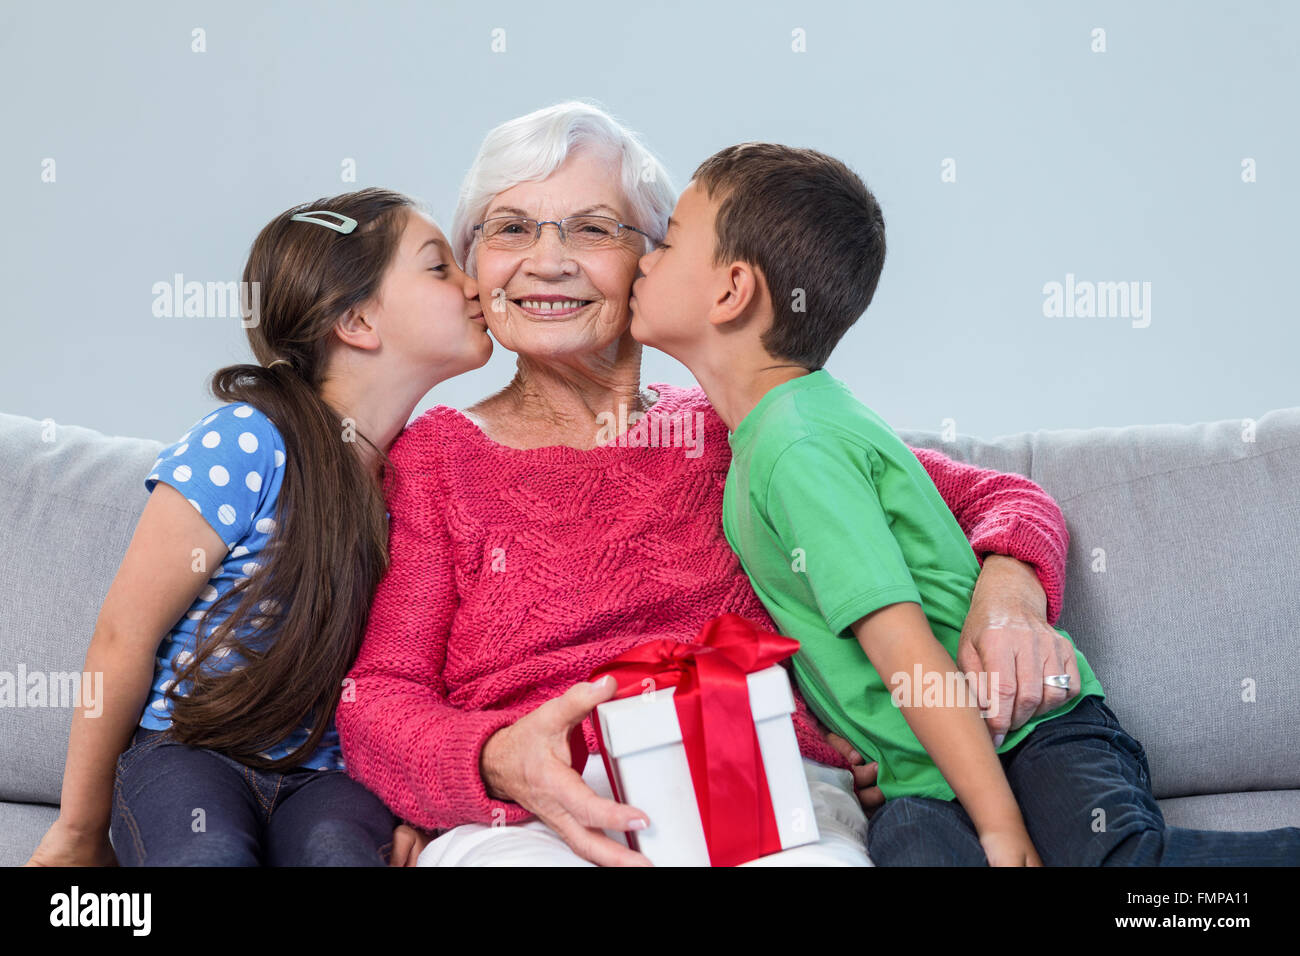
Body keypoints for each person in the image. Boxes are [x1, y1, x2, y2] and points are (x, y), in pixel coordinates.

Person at [336, 102, 1091, 866]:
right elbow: (377, 700)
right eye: (509, 228)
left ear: (654, 261)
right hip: (544, 812)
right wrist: (494, 760)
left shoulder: (745, 429)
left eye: (593, 228)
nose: (547, 260)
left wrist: (1009, 602)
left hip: (755, 777)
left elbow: (1001, 498)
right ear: (475, 264)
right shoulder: (436, 460)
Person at [628, 140, 1300, 865]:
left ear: (731, 291)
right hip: (926, 778)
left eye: (664, 242)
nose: (642, 259)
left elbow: (906, 651)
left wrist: (1003, 829)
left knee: (1117, 865)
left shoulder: (796, 448)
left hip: (1028, 734)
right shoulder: (776, 432)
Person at [25, 187, 490, 866]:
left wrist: (419, 806)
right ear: (358, 321)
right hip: (191, 754)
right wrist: (78, 832)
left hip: (328, 778)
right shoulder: (249, 441)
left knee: (338, 853)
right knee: (206, 852)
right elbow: (123, 635)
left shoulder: (421, 480)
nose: (476, 285)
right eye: (439, 266)